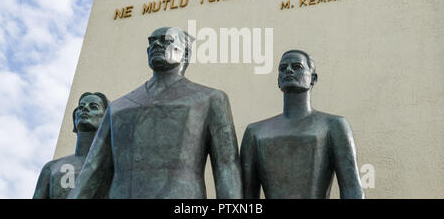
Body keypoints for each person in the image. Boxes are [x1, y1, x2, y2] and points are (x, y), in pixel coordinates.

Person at [69, 27, 242, 199]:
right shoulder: (118, 108)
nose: (157, 44)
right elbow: (93, 169)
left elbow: (226, 166)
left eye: (166, 40)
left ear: (186, 53)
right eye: (152, 42)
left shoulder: (209, 99)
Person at [241, 50, 364, 199]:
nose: (288, 70)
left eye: (297, 66)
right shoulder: (255, 132)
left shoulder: (333, 126)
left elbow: (352, 189)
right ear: (278, 80)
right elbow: (246, 196)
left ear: (313, 78)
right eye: (283, 68)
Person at [33, 92, 109, 198]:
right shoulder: (52, 168)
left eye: (93, 107)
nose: (85, 108)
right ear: (75, 119)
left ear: (106, 119)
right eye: (81, 107)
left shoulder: (113, 167)